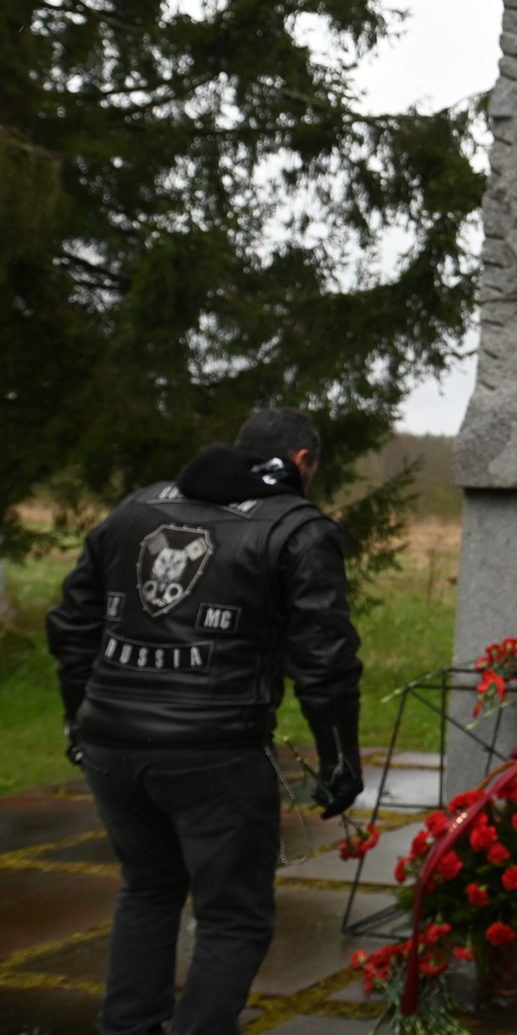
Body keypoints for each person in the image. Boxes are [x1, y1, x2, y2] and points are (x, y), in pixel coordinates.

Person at [45, 406, 364, 1035]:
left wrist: (79, 719)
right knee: (233, 916)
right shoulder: (299, 527)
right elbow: (324, 658)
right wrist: (339, 758)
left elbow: (71, 624)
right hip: (215, 751)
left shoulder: (137, 508)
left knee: (148, 889)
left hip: (113, 743)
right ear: (303, 462)